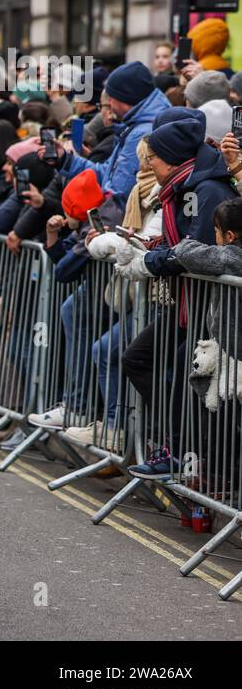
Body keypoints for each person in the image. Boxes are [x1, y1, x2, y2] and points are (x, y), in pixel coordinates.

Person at [114, 111, 237, 476]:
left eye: (152, 157)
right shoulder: (182, 187)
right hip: (185, 303)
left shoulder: (206, 188)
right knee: (136, 359)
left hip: (206, 306)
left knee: (188, 372)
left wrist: (152, 261)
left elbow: (197, 250)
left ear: (170, 157)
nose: (149, 163)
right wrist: (148, 247)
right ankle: (171, 444)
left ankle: (188, 456)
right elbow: (179, 242)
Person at [56, 62, 169, 203]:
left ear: (123, 99)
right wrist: (65, 160)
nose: (108, 104)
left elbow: (117, 193)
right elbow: (107, 173)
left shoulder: (139, 134)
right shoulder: (135, 127)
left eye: (110, 98)